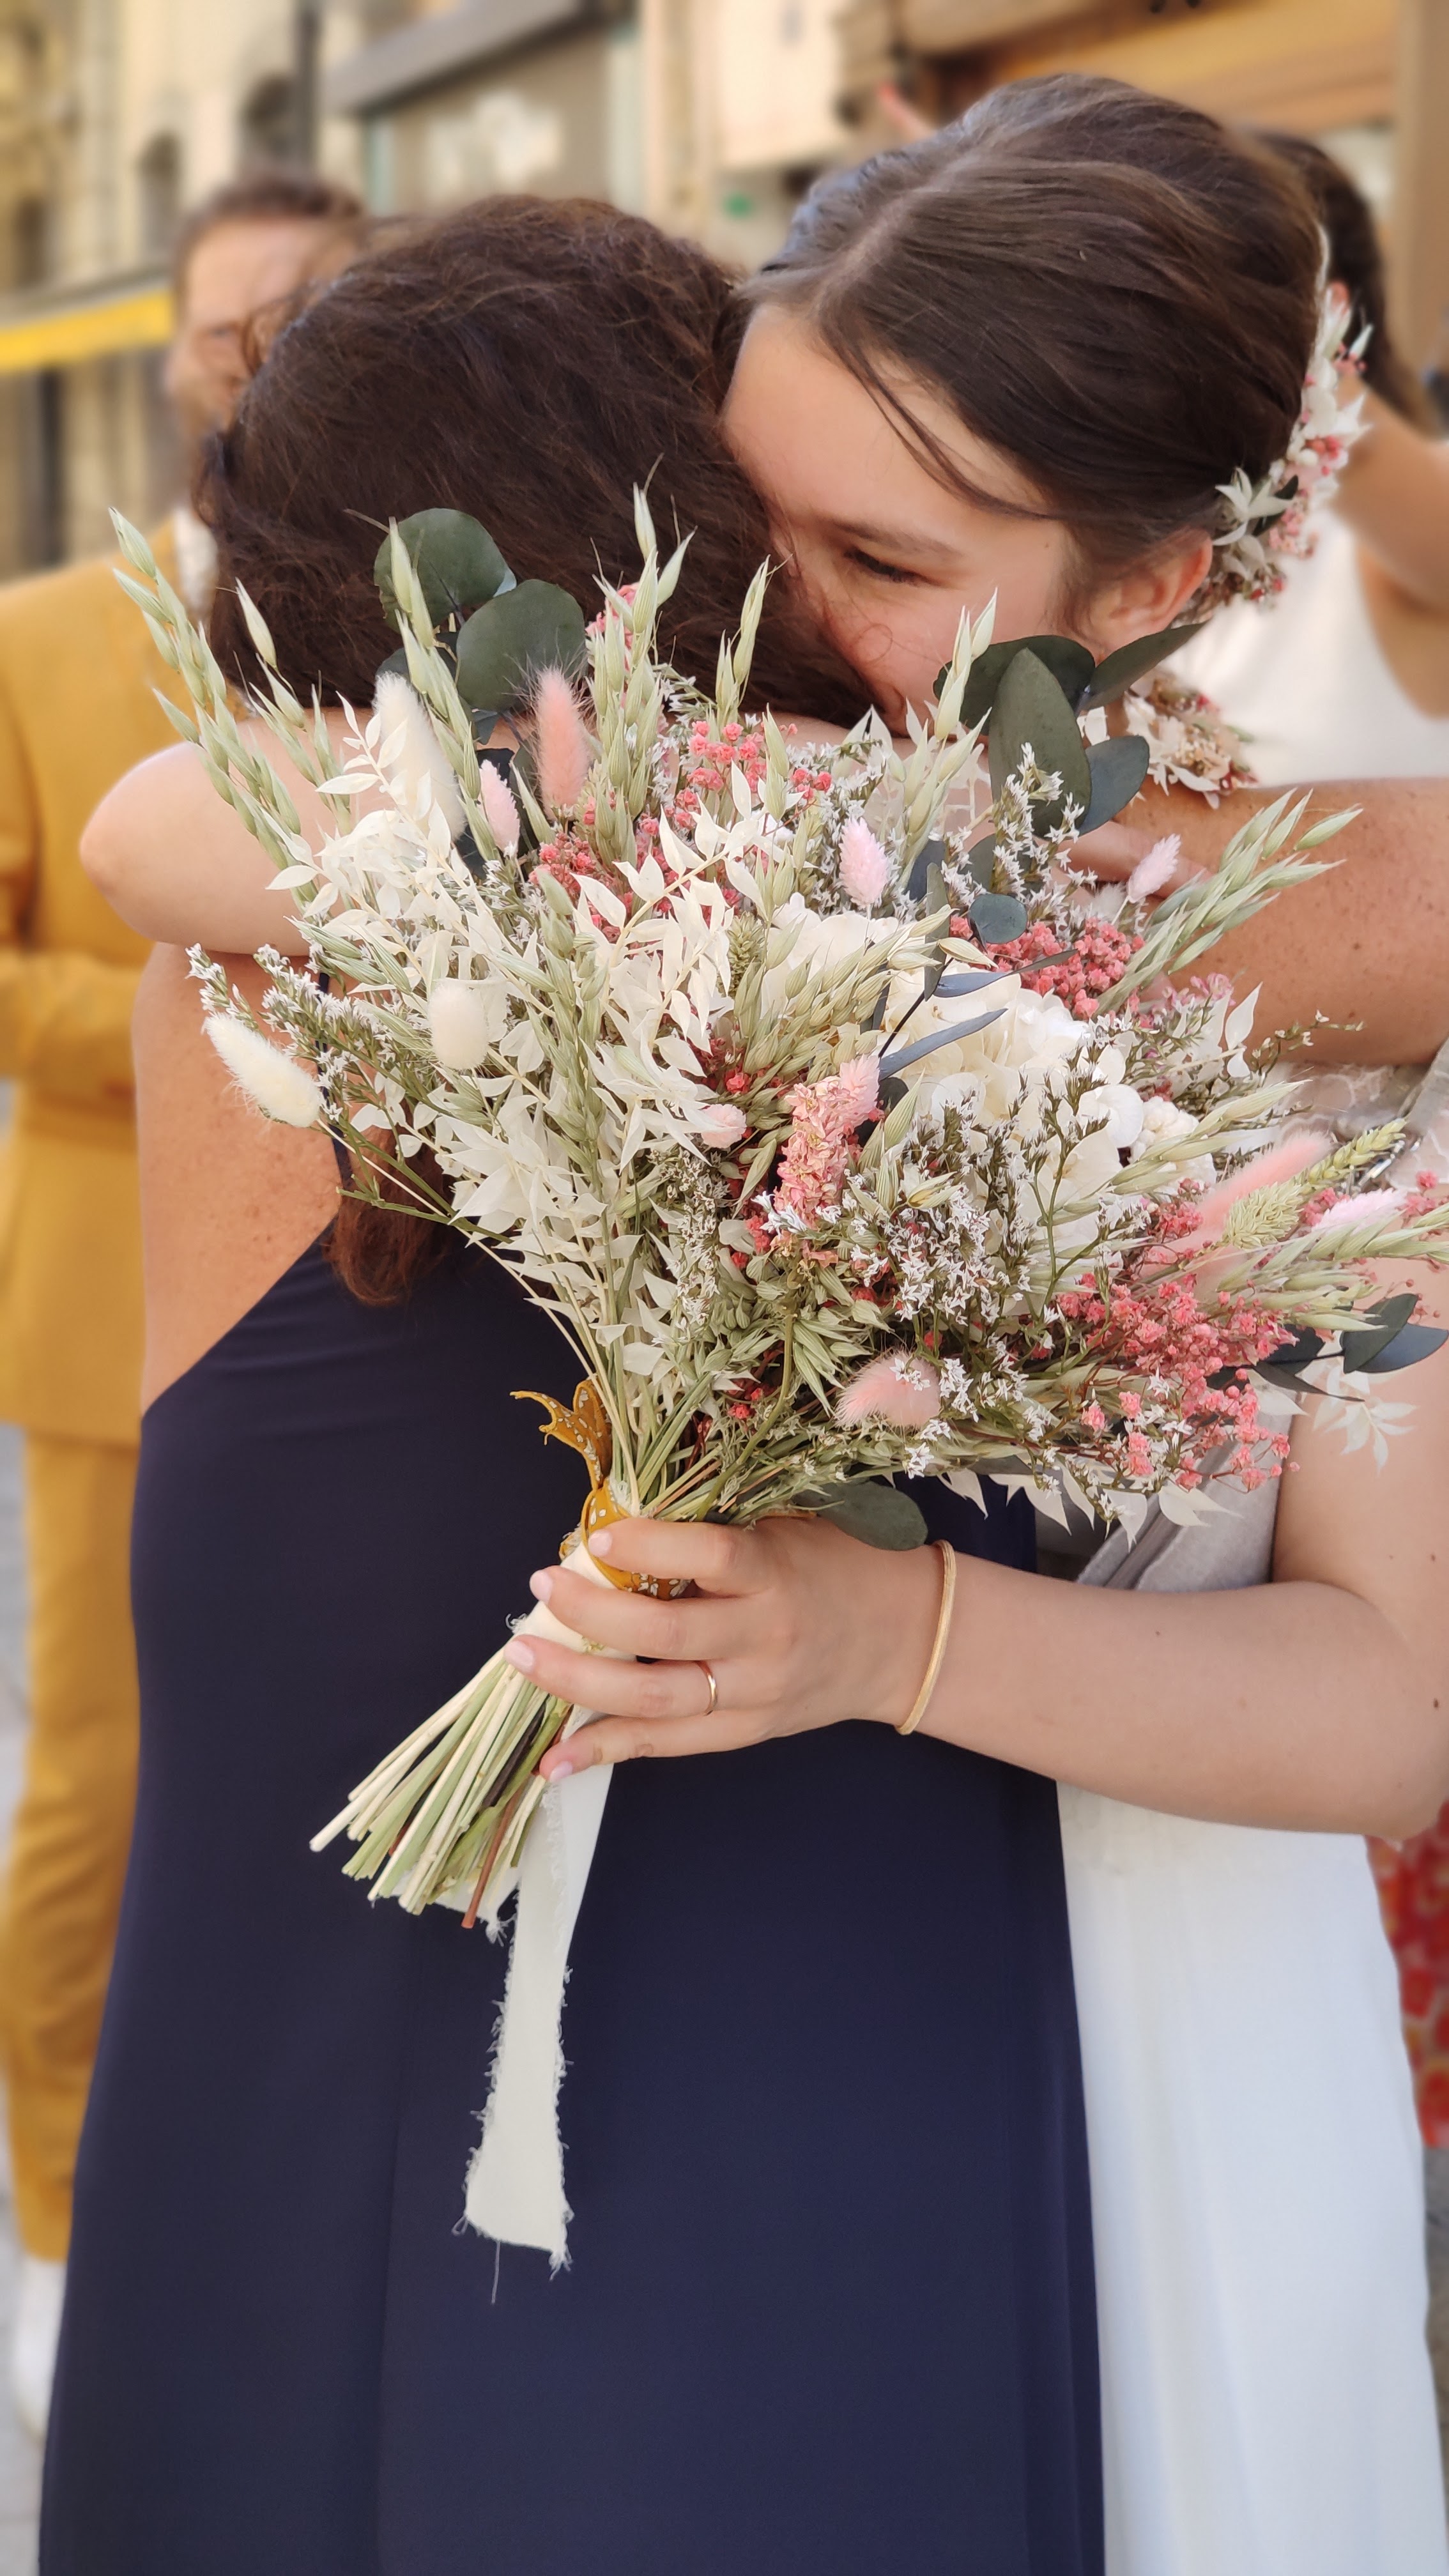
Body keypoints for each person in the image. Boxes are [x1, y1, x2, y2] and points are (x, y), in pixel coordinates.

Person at [71, 87, 1449, 2576]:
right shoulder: (617, 875)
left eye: (876, 562)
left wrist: (881, 1630)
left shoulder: (1268, 945)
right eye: (732, 526)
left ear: (1152, 581)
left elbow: (1390, 1698)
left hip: (1131, 2050)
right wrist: (796, 828)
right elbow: (169, 815)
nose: (766, 628)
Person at [0, 164, 364, 2444]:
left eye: (310, 319)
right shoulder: (38, 634)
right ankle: (53, 2229)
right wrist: (216, 1000)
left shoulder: (458, 621)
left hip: (406, 1304)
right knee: (106, 1786)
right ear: (175, 361)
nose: (264, 361)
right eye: (237, 328)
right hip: (114, 1305)